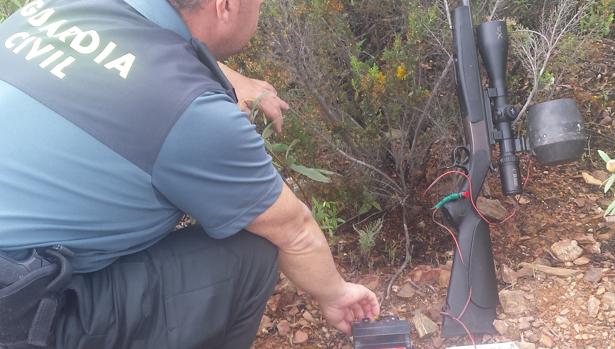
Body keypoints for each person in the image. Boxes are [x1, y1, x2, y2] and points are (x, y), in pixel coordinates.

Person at [0, 0, 380, 348]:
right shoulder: (190, 111)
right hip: (19, 317)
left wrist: (229, 78)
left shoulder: (59, 7)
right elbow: (295, 231)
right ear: (226, 6)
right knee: (253, 250)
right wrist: (336, 295)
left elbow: (123, 60)